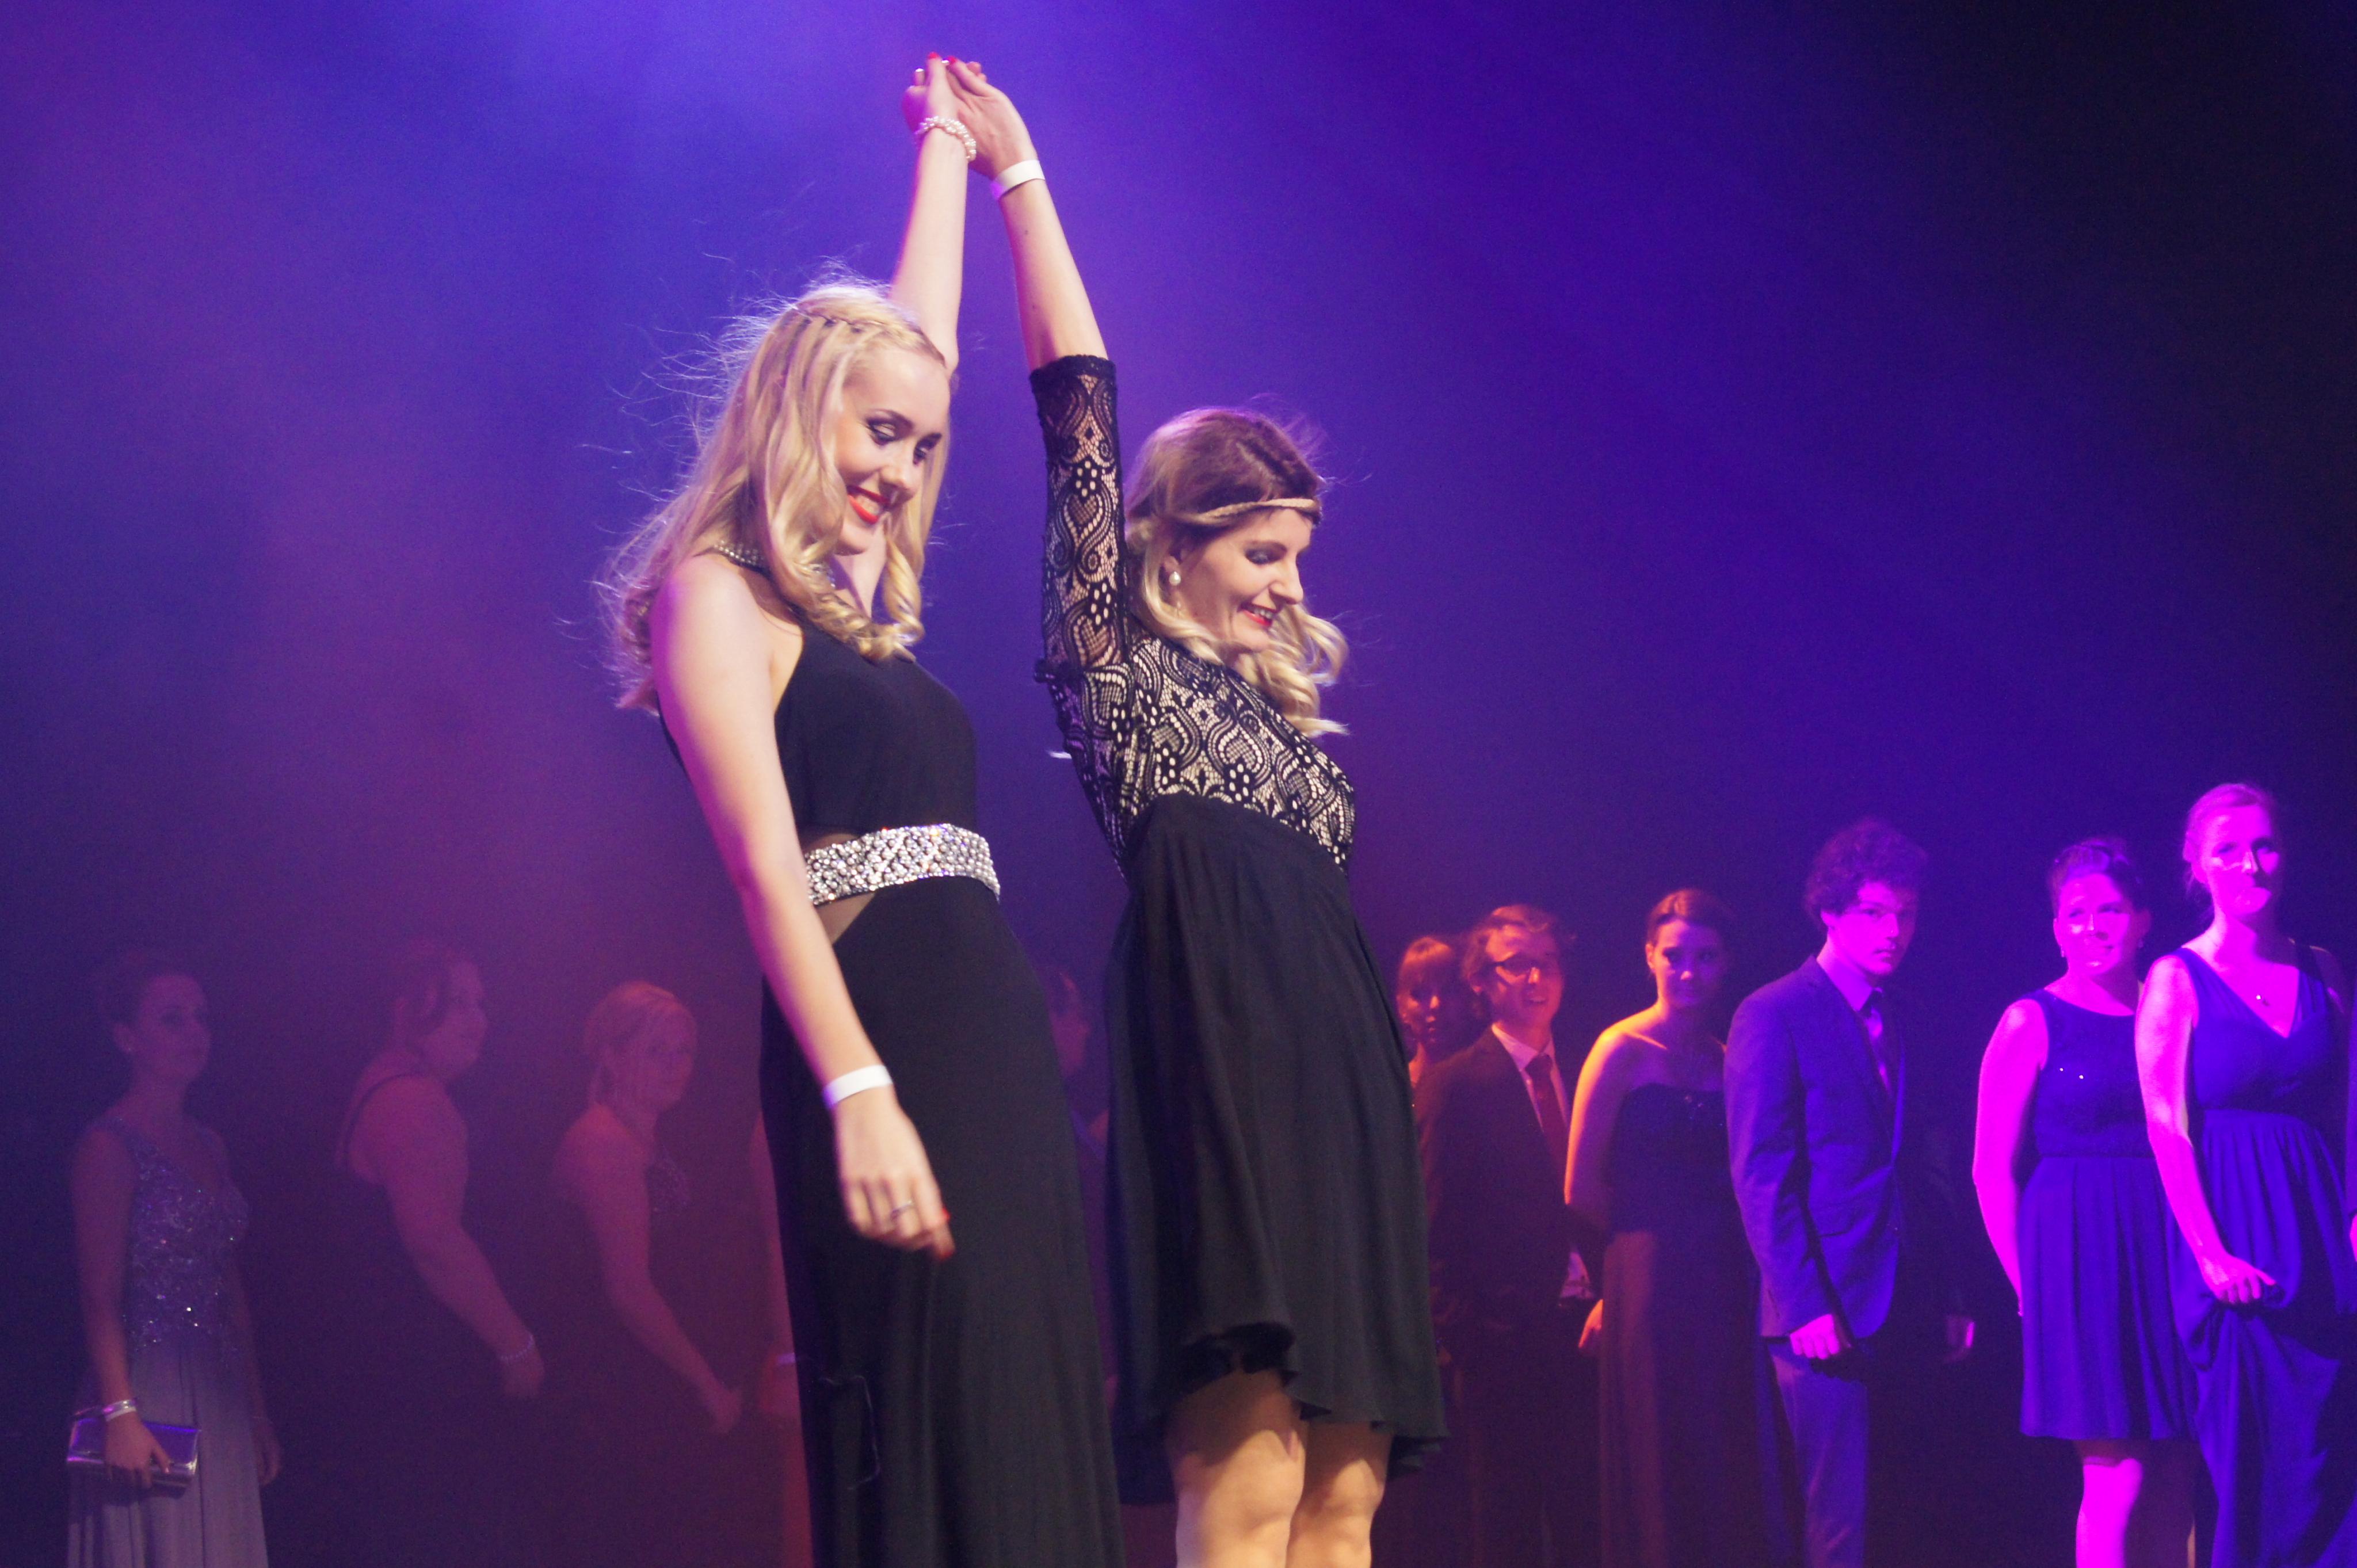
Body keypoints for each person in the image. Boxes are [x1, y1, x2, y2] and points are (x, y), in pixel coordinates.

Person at [597, 56, 1121, 1566]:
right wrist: (855, 1087)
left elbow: (919, 352)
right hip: (882, 1034)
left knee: (1024, 1404)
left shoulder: (857, 597)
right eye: (879, 433)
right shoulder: (716, 596)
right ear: (799, 409)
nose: (902, 466)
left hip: (990, 1043)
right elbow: (765, 869)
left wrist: (958, 155)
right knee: (937, 1408)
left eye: (921, 444)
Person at [943, 56, 1444, 1568]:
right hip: (1224, 1105)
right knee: (1250, 1487)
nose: (1291, 587)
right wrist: (1020, 179)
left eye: (1299, 555)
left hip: (1344, 1108)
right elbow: (1077, 409)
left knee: (1345, 1502)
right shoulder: (1121, 682)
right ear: (1173, 546)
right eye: (1263, 553)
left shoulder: (1296, 743)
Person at [1726, 821, 1975, 1568]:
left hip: (1906, 1301)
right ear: (1829, 911)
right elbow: (1761, 1173)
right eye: (1873, 912)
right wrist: (1803, 1304)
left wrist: (1950, 1291)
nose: (1894, 930)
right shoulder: (1774, 1011)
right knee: (1843, 1520)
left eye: (1906, 913)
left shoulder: (1901, 1012)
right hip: (1824, 1307)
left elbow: (1927, 1166)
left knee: (1909, 1510)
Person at [2135, 784, 2356, 1568]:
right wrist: (2209, 1253)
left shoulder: (2322, 968)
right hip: (2233, 1242)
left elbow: (2348, 1108)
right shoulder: (2176, 977)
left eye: (2264, 846)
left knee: (2330, 1453)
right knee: (2252, 1465)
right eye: (2227, 850)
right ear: (2196, 865)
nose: (2251, 864)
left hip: (2320, 1239)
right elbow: (2166, 1125)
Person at [1972, 840, 2197, 1568]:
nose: (2092, 926)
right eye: (2075, 914)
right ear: (2056, 928)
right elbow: (1989, 1168)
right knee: (2116, 1472)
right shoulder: (2030, 1020)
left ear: (2143, 921)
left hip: (2165, 1250)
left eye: (2109, 910)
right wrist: (2026, 1284)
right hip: (2078, 1260)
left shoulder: (2171, 1010)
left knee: (2175, 1468)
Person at [1567, 891, 1778, 1568]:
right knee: (1656, 1442)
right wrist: (1623, 1267)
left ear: (1727, 964)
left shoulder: (1727, 1058)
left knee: (1717, 1443)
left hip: (1720, 1276)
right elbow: (1579, 1186)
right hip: (1647, 1275)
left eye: (1705, 957)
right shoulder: (1619, 1049)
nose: (1688, 971)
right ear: (1649, 957)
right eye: (1675, 955)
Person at [327, 939, 542, 1566]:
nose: (479, 1020)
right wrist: (515, 1342)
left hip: (399, 1361)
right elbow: (434, 1240)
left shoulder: (393, 1085)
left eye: (480, 1002)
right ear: (407, 1010)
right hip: (419, 1368)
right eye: (457, 1004)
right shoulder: (411, 1099)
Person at [543, 982, 771, 1568]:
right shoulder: (602, 1141)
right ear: (612, 1056)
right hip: (623, 1386)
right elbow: (628, 1287)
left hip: (651, 1380)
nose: (676, 1065)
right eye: (657, 1051)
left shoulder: (642, 1134)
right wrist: (705, 1382)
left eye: (683, 1051)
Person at [68, 952, 275, 1567]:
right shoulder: (108, 1145)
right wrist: (120, 1413)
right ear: (126, 1037)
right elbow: (99, 1294)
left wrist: (256, 1409)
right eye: (172, 1018)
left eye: (201, 1016)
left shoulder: (210, 1142)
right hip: (147, 1385)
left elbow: (229, 1281)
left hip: (219, 1386)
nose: (195, 1031)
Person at [1419, 905, 1599, 1567]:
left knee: (1588, 1523)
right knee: (1507, 1529)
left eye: (1547, 962)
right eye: (1516, 963)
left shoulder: (1585, 1067)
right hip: (1502, 1346)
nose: (1535, 977)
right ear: (1480, 981)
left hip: (1587, 1334)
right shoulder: (1455, 1084)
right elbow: (1434, 1229)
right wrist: (1470, 1340)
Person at [1397, 935, 1482, 1089]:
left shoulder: (1488, 1083)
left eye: (1448, 990)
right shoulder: (1388, 1089)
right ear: (1401, 1008)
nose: (1436, 1005)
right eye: (1421, 994)